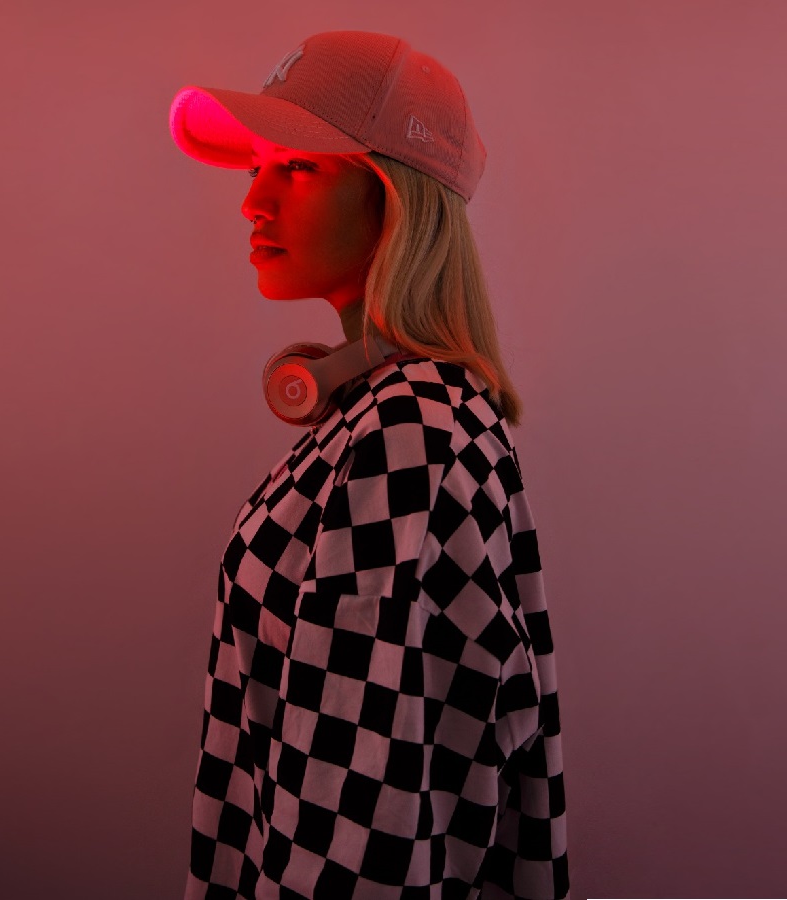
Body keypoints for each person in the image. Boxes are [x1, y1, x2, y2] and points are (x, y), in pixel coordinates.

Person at [168, 30, 569, 900]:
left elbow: (358, 813)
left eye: (297, 168)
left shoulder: (408, 432)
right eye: (258, 168)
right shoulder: (403, 412)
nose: (253, 202)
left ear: (395, 200)